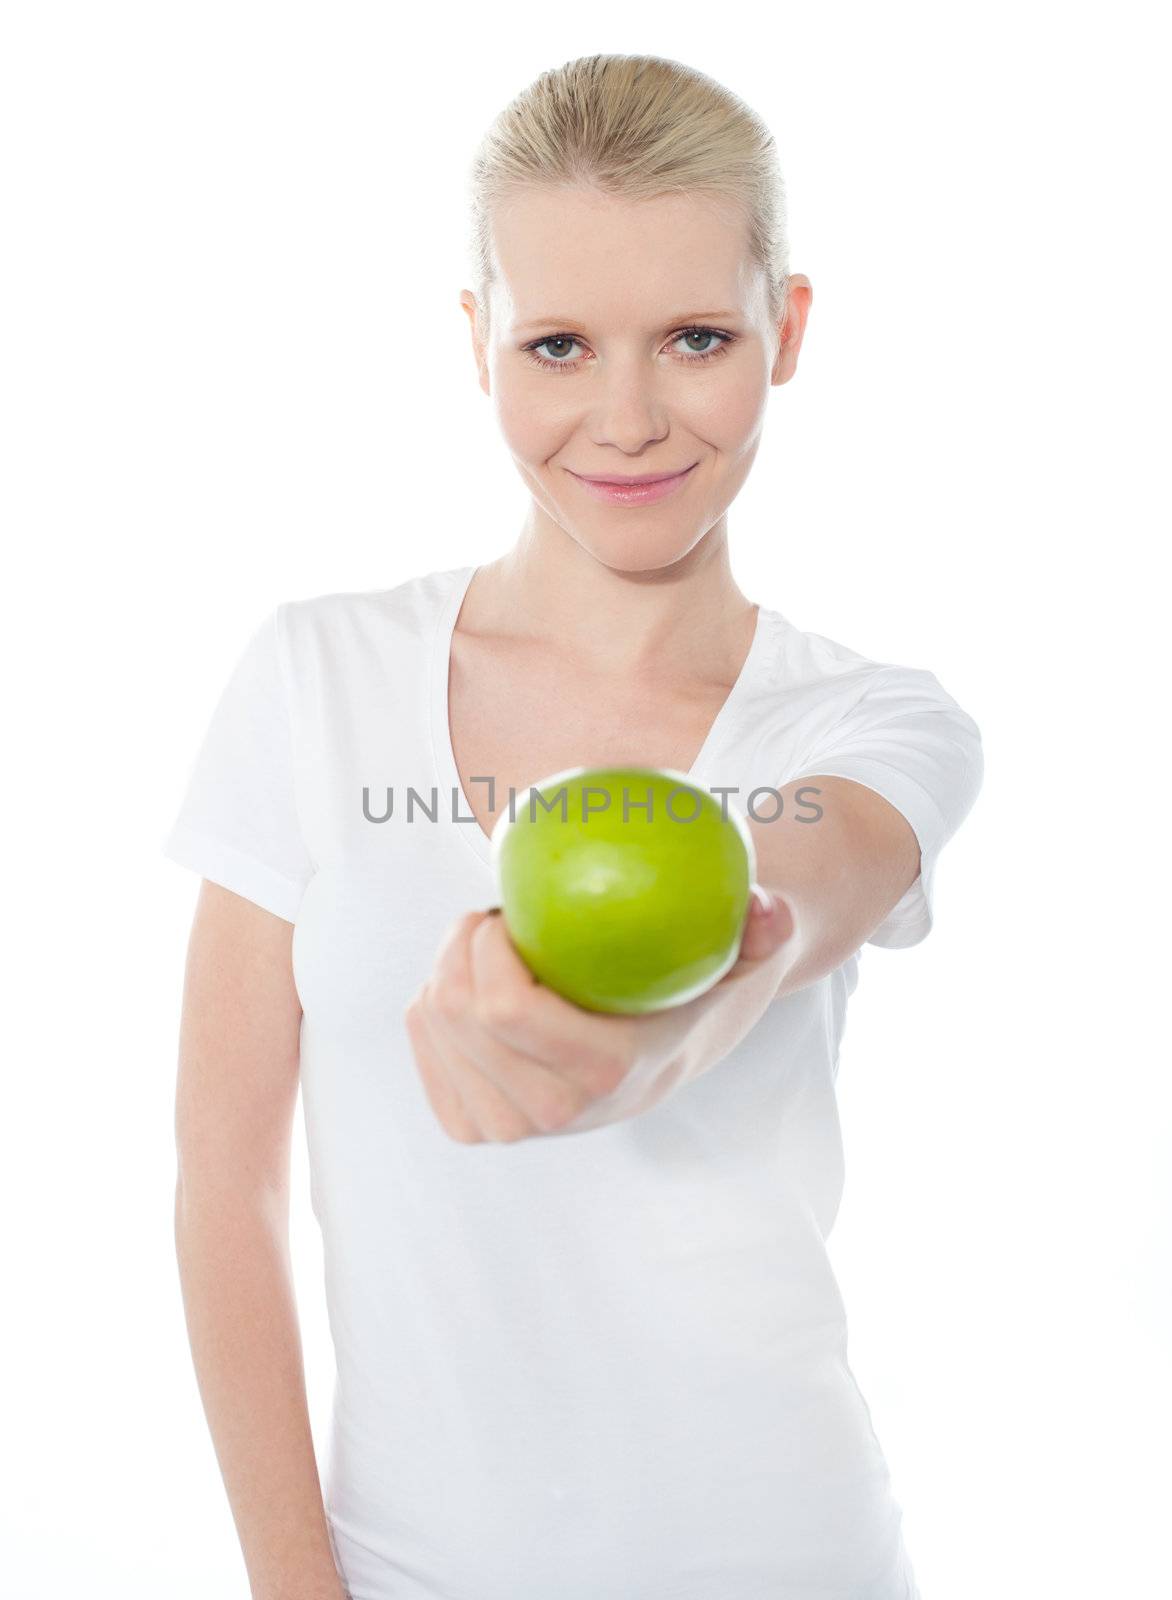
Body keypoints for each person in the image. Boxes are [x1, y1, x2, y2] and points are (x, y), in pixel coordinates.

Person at [163, 53, 982, 1600]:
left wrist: (650, 1043)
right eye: (555, 344)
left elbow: (797, 897)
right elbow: (224, 1177)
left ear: (784, 331)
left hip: (784, 1554)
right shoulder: (316, 677)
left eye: (693, 337)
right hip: (397, 1567)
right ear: (475, 343)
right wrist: (293, 1585)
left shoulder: (874, 724)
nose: (626, 418)